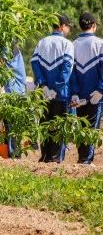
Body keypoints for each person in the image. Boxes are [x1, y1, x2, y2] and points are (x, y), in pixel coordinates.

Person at [31, 14, 74, 163]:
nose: (68, 29)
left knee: (44, 126)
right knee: (58, 127)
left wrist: (43, 85)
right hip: (60, 94)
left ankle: (45, 157)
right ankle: (55, 160)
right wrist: (56, 88)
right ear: (62, 26)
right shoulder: (67, 44)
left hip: (43, 94)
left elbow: (34, 63)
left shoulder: (41, 42)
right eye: (68, 26)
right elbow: (66, 68)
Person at [70, 12, 103, 164]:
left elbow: (71, 72)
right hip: (95, 95)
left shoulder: (73, 45)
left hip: (79, 96)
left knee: (81, 126)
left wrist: (75, 93)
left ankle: (82, 159)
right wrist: (101, 90)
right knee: (91, 128)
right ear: (94, 26)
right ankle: (85, 162)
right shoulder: (100, 44)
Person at [0, 44, 27, 158]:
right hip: (17, 92)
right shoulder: (15, 51)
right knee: (11, 124)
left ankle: (13, 153)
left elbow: (0, 66)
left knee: (10, 124)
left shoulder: (7, 49)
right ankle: (13, 152)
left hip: (12, 93)